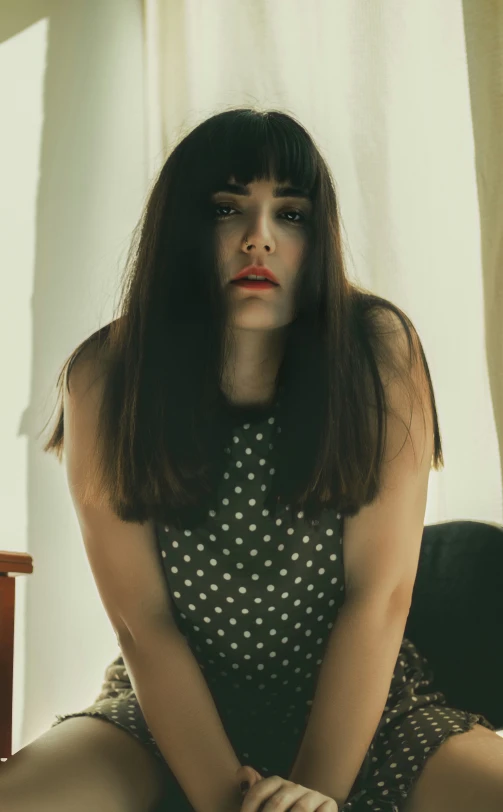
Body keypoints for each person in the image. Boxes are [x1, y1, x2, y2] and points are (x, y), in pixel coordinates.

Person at [1, 108, 498, 812]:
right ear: (181, 228)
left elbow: (378, 599)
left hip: (368, 711)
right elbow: (144, 621)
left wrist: (312, 797)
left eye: (290, 214)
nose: (258, 237)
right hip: (165, 716)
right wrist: (224, 801)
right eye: (226, 208)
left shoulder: (377, 352)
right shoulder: (107, 376)